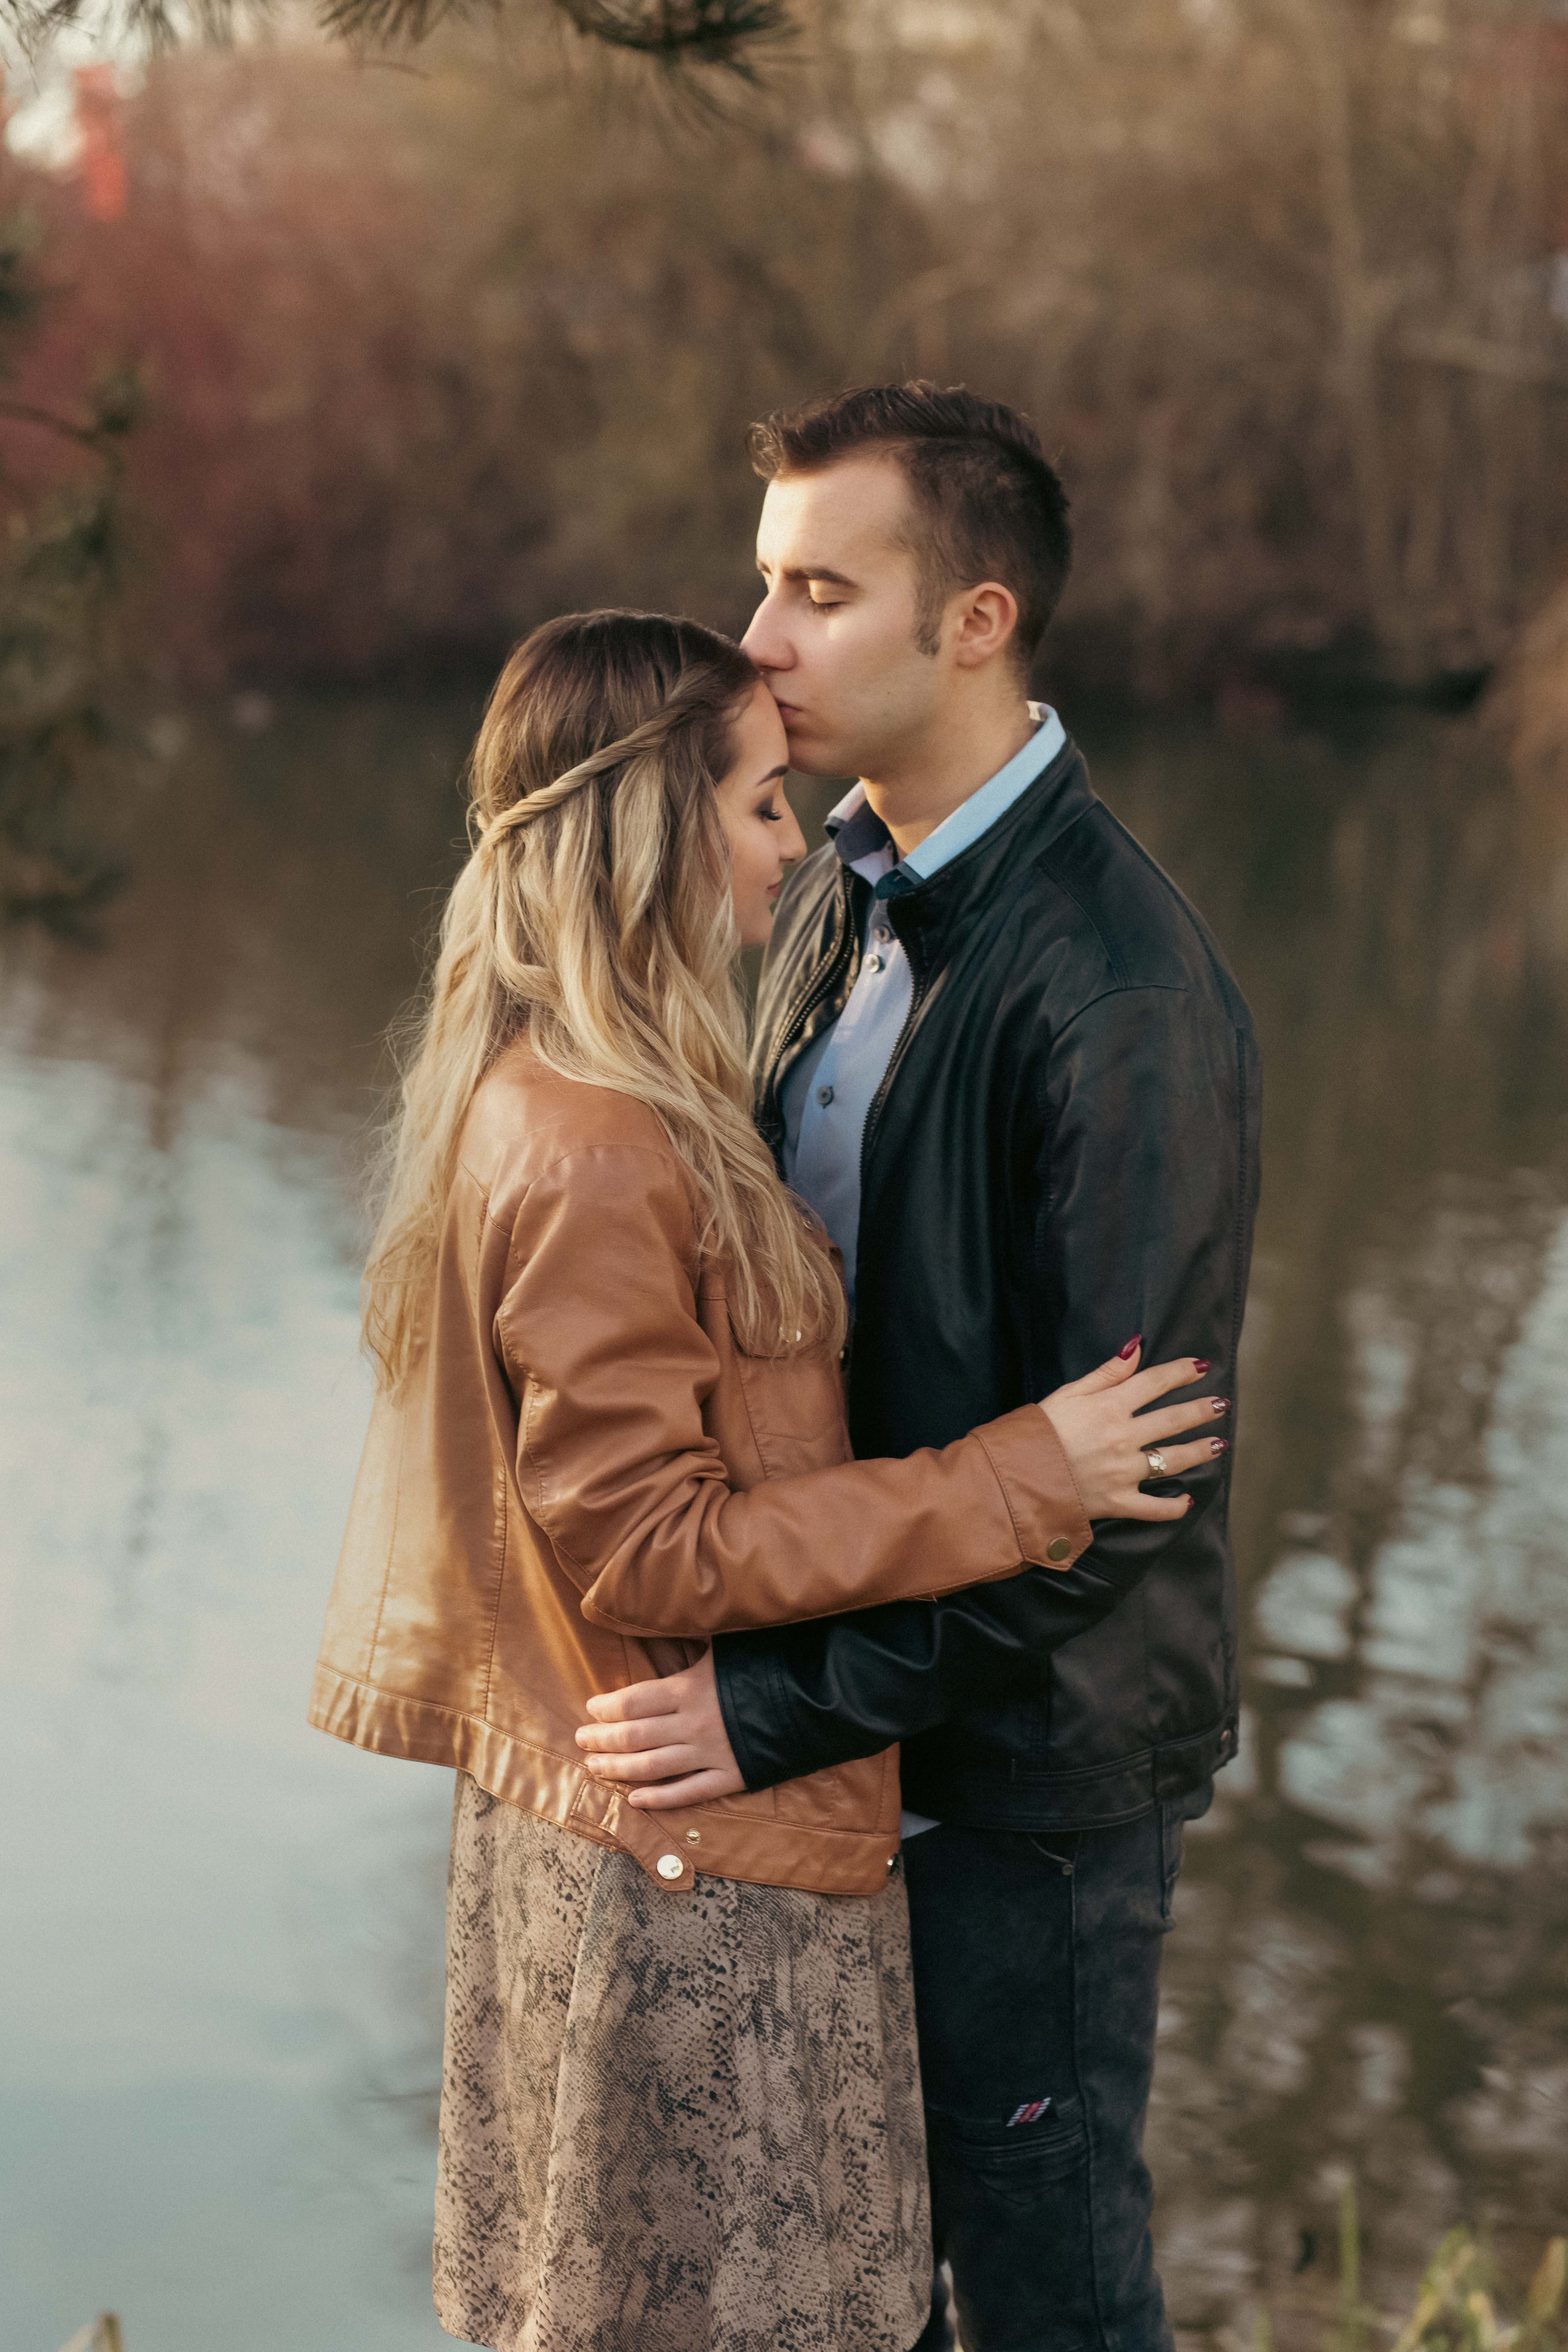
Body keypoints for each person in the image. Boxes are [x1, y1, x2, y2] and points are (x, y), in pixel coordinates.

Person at [308, 607, 1223, 2352]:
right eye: (753, 806)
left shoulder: (639, 1089)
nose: (793, 841)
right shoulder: (591, 1136)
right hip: (689, 1878)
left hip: (689, 1833)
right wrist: (1019, 1472)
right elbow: (651, 1544)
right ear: (650, 833)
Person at [575, 389, 1262, 2352]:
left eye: (817, 590)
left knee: (1044, 2289)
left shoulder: (1122, 994)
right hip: (856, 1724)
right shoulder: (836, 887)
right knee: (854, 2283)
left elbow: (1126, 1497)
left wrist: (780, 1710)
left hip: (1026, 1779)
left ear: (973, 621)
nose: (759, 639)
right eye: (760, 581)